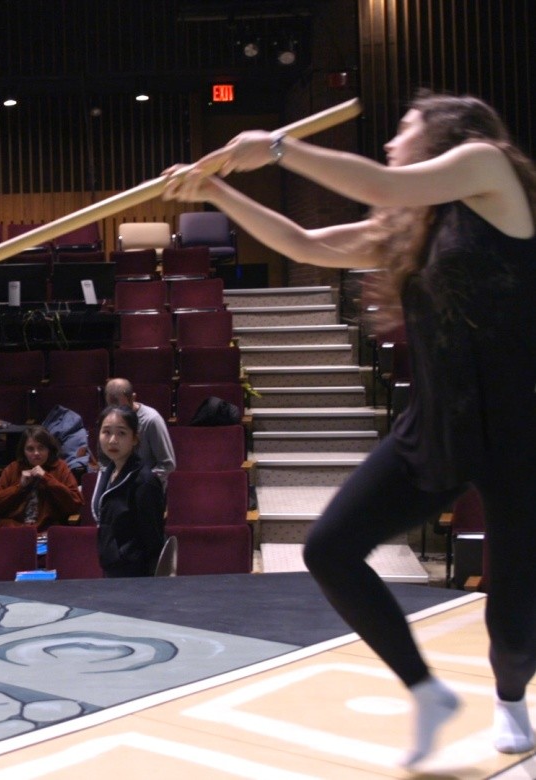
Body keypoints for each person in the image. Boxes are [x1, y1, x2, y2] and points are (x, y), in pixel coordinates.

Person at [163, 91, 536, 767]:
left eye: (404, 129)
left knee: (512, 630)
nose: (392, 142)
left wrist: (277, 146)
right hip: (438, 427)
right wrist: (215, 186)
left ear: (446, 135)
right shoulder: (410, 226)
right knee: (329, 548)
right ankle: (426, 692)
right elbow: (299, 242)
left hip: (519, 430)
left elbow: (386, 181)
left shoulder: (488, 168)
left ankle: (511, 700)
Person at [91, 405, 166, 578]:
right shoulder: (107, 472)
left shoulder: (145, 481)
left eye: (121, 433)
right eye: (106, 432)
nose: (112, 440)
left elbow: (153, 541)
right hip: (111, 569)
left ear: (134, 438)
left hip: (136, 576)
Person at [0, 424, 82, 529]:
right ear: (23, 451)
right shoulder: (13, 468)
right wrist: (19, 487)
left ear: (49, 449)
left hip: (47, 531)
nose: (36, 453)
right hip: (15, 531)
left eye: (41, 448)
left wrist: (47, 478)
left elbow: (75, 504)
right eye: (30, 449)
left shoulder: (60, 468)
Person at [104, 378, 176, 488]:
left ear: (133, 398)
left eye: (122, 408)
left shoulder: (151, 420)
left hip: (147, 490)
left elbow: (167, 464)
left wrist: (140, 482)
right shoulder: (108, 419)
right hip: (117, 488)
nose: (117, 415)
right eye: (112, 408)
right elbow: (104, 461)